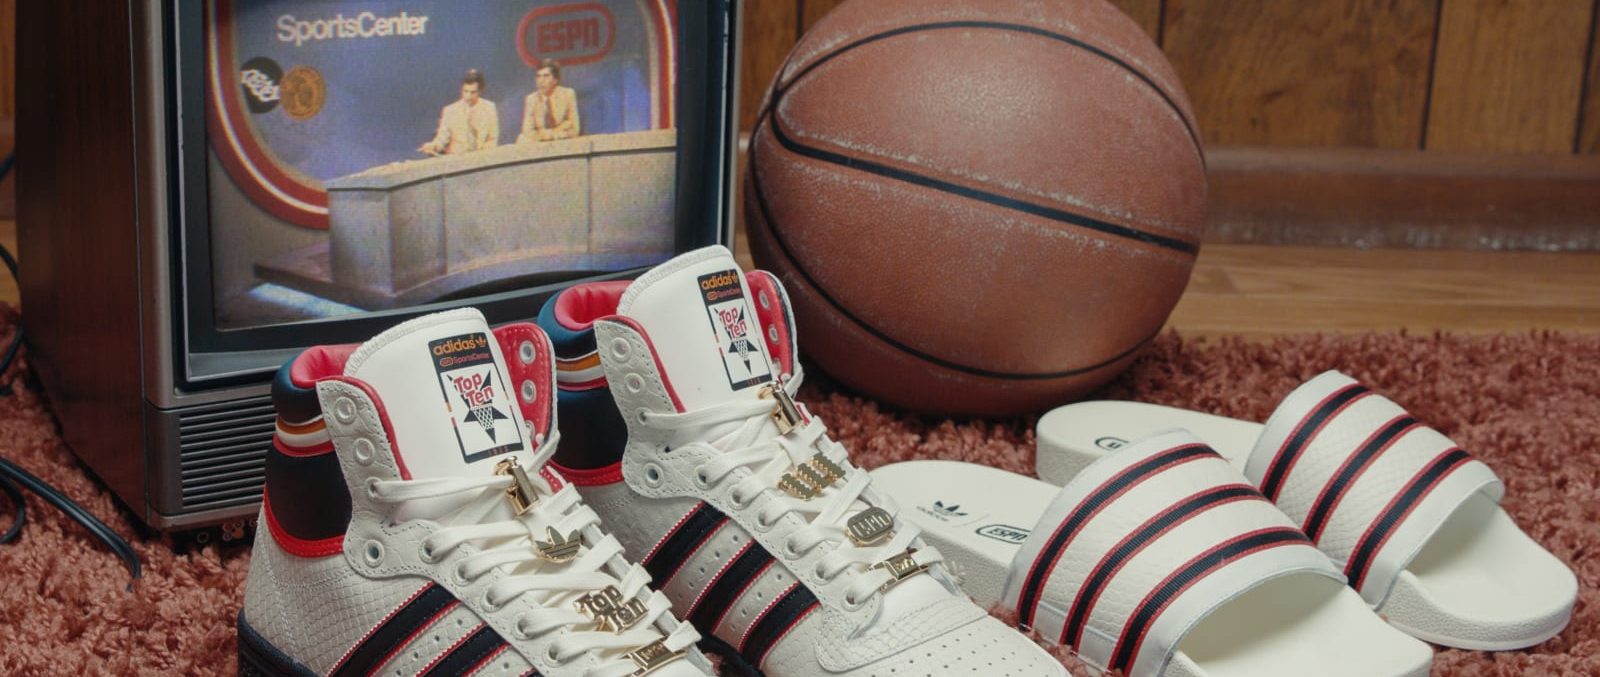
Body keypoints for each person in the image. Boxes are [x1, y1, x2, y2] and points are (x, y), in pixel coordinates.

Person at [419, 69, 498, 156]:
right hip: (456, 159)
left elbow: (492, 138)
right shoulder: (450, 111)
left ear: (480, 91)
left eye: (473, 92)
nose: (468, 96)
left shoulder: (489, 108)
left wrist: (483, 156)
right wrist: (433, 146)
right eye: (465, 91)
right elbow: (442, 139)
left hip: (481, 158)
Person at [518, 59, 580, 143]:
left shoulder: (568, 94)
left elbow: (575, 128)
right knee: (521, 139)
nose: (541, 81)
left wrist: (553, 134)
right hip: (540, 143)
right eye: (538, 76)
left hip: (563, 141)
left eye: (546, 76)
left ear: (555, 80)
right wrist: (549, 134)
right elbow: (527, 131)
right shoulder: (531, 99)